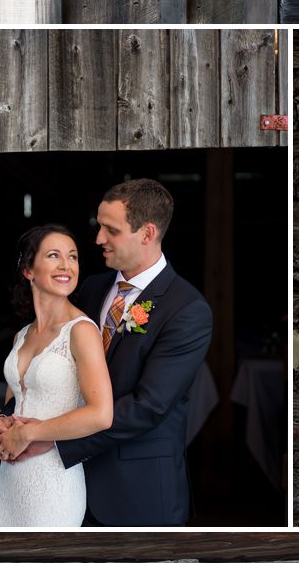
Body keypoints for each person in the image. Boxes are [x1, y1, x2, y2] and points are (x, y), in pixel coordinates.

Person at [19, 177, 213, 526]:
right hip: (63, 487)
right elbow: (53, 364)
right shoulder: (91, 289)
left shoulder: (187, 310)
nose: (98, 239)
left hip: (136, 494)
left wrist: (54, 439)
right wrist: (4, 421)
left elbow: (148, 406)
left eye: (111, 230)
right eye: (99, 226)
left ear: (147, 233)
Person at [0, 223, 112, 529]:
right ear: (28, 270)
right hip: (9, 478)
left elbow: (101, 415)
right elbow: (15, 409)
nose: (67, 265)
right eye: (54, 255)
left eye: (73, 257)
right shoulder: (22, 336)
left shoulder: (81, 331)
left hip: (54, 481)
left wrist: (29, 433)